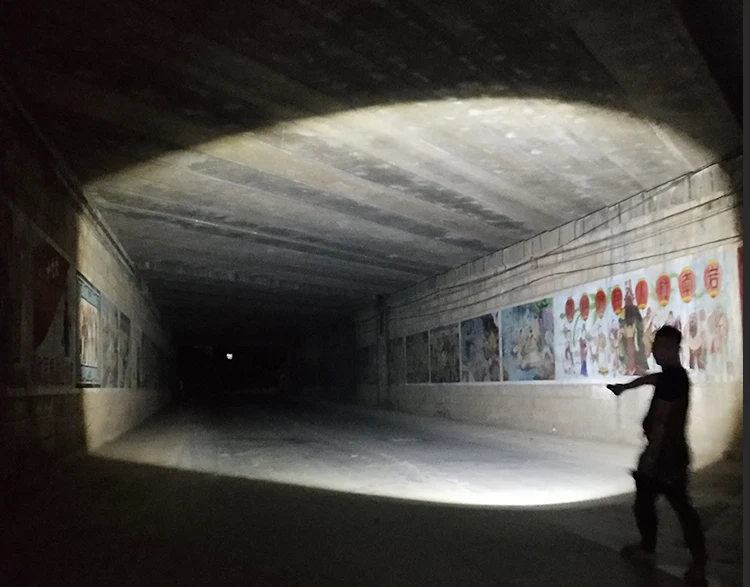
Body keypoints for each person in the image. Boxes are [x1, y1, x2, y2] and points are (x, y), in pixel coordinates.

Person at [607, 325, 707, 587]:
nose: (653, 351)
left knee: (680, 508)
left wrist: (649, 459)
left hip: (666, 457)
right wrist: (624, 387)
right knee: (650, 503)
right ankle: (651, 549)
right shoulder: (673, 376)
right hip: (670, 454)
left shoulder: (672, 381)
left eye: (658, 347)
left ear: (672, 349)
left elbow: (661, 423)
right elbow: (650, 379)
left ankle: (697, 563)